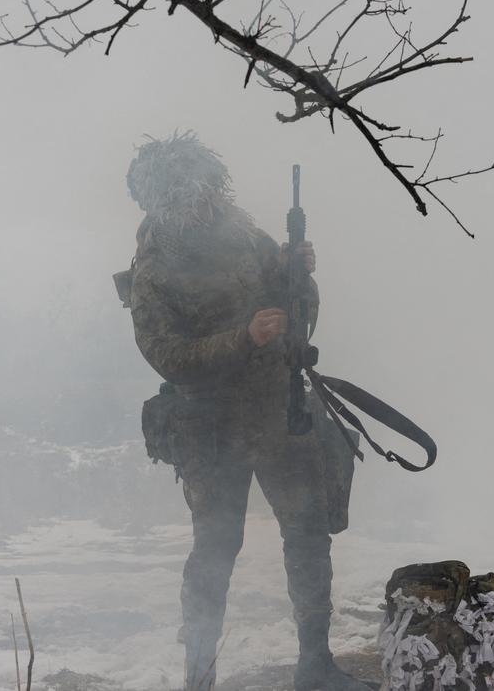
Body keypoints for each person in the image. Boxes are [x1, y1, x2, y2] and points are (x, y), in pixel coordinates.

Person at [124, 132, 366, 691]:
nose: (205, 203)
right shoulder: (155, 269)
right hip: (209, 428)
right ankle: (199, 677)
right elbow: (169, 357)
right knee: (216, 547)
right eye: (191, 194)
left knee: (308, 531)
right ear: (166, 200)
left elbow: (299, 320)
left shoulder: (247, 241)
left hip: (278, 415)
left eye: (209, 190)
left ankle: (315, 665)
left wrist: (296, 274)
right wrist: (244, 337)